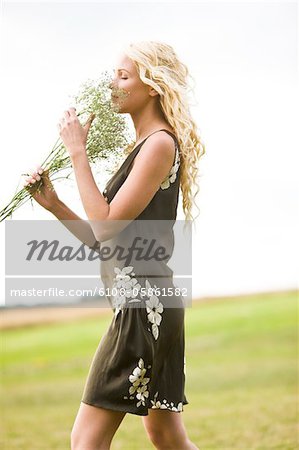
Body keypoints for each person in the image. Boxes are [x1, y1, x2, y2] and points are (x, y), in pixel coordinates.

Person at [24, 41, 205, 450]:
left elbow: (105, 227)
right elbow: (106, 240)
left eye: (123, 76)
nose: (113, 83)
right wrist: (55, 205)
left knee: (85, 441)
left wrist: (77, 152)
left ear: (153, 87)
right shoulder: (146, 146)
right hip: (154, 305)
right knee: (167, 436)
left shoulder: (159, 143)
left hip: (143, 308)